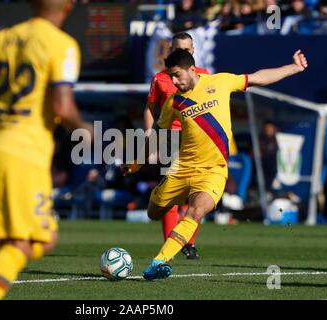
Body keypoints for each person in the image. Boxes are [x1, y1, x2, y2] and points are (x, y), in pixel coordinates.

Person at [0, 0, 93, 299]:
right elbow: (62, 106)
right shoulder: (62, 44)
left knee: (44, 238)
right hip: (24, 152)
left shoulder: (3, 37)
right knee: (22, 243)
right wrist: (87, 130)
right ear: (67, 8)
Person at [124, 48, 308, 280]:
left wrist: (293, 67)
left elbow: (258, 77)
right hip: (181, 170)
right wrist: (138, 163)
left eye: (177, 75)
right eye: (170, 76)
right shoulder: (173, 102)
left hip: (213, 172)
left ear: (192, 69)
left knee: (196, 211)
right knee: (153, 212)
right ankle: (166, 198)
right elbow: (158, 134)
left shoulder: (220, 82)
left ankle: (159, 262)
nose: (173, 81)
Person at [144, 32, 208, 259]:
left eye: (187, 50)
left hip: (197, 141)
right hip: (171, 139)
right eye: (177, 49)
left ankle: (188, 243)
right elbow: (151, 109)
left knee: (196, 195)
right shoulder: (161, 79)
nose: (182, 53)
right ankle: (170, 243)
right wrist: (152, 137)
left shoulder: (204, 76)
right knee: (169, 194)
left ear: (193, 52)